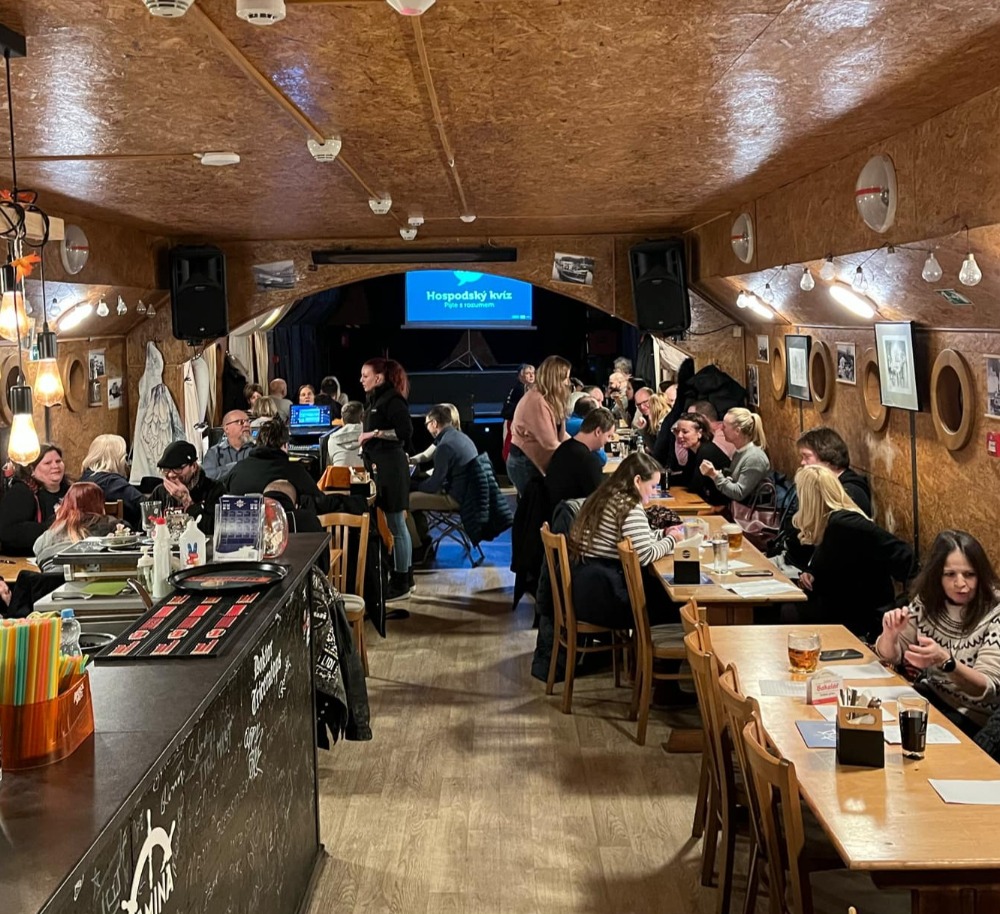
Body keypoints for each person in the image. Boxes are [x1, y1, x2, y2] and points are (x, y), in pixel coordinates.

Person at [875, 530, 1000, 733]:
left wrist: (946, 661)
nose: (961, 584)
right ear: (937, 576)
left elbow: (986, 688)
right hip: (930, 697)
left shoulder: (995, 612)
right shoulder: (929, 600)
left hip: (971, 716)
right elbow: (890, 656)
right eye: (950, 574)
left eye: (969, 574)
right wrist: (890, 634)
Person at [791, 465, 914, 637]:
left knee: (783, 613)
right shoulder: (830, 522)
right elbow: (829, 566)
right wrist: (811, 573)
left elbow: (904, 557)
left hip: (861, 615)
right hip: (842, 607)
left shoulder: (845, 524)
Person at [568, 452, 681, 629]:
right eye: (652, 486)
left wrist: (664, 533)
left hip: (585, 589)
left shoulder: (606, 495)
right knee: (679, 605)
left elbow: (637, 538)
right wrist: (672, 540)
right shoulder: (628, 505)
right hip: (605, 597)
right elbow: (644, 556)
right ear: (637, 481)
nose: (654, 492)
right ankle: (656, 647)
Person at [360, 357, 414, 603]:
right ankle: (404, 577)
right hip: (381, 467)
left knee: (397, 525)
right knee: (394, 525)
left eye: (365, 376)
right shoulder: (375, 400)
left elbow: (405, 432)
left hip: (392, 468)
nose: (361, 380)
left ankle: (401, 581)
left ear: (379, 378)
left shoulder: (392, 400)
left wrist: (374, 433)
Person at [407, 404, 479, 562]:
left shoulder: (444, 446)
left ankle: (417, 551)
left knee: (406, 502)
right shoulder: (459, 437)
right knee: (416, 496)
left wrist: (413, 485)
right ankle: (424, 541)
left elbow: (433, 486)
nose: (427, 428)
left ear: (434, 423)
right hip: (470, 496)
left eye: (426, 424)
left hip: (456, 499)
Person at [227, 418, 331, 510]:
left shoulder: (237, 469)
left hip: (239, 525)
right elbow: (321, 503)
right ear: (285, 445)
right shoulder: (294, 470)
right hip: (281, 525)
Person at [507, 355, 571, 496]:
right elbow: (549, 443)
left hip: (534, 462)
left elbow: (561, 434)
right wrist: (577, 455)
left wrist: (580, 446)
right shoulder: (537, 401)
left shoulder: (550, 399)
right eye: (565, 378)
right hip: (525, 464)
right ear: (555, 379)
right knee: (535, 507)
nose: (568, 383)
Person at [33, 482, 123, 570]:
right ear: (99, 503)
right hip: (86, 576)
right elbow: (125, 535)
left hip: (50, 577)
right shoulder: (107, 523)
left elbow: (37, 548)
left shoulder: (48, 535)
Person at [0, 445, 70, 555]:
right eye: (47, 463)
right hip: (27, 559)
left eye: (58, 461)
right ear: (32, 469)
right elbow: (8, 532)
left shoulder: (71, 491)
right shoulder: (21, 492)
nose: (55, 466)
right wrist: (51, 527)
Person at [545, 407, 615, 506]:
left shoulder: (563, 448)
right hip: (576, 513)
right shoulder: (589, 461)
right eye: (608, 436)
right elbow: (601, 501)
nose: (609, 440)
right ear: (598, 431)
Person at [150, 441, 225, 535]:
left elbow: (215, 529)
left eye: (178, 469)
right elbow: (145, 526)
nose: (171, 474)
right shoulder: (160, 492)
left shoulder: (214, 489)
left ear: (193, 466)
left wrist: (187, 502)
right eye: (166, 470)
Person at [699, 407, 770, 505]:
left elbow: (739, 493)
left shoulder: (755, 458)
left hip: (748, 512)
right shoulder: (739, 452)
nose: (721, 428)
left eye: (724, 426)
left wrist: (714, 475)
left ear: (737, 431)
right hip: (736, 508)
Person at [796, 426, 871, 514]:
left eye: (807, 456)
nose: (802, 462)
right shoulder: (825, 485)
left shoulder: (850, 492)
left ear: (827, 456)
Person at [80, 434, 145, 528]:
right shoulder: (114, 484)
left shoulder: (81, 481)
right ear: (118, 458)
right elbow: (146, 507)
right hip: (117, 534)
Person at [674, 413, 731, 506]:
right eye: (677, 431)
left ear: (699, 433)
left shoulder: (706, 451)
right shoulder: (693, 450)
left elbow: (695, 485)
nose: (679, 436)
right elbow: (686, 477)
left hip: (721, 505)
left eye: (685, 432)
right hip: (710, 500)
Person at [203, 410, 254, 480]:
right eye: (241, 422)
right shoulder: (214, 453)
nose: (246, 425)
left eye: (248, 421)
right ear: (226, 429)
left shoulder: (256, 450)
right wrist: (236, 466)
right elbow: (208, 476)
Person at [327, 401, 365, 467]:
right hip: (364, 473)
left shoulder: (332, 439)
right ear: (362, 417)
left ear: (342, 420)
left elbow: (331, 464)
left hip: (339, 473)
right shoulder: (370, 436)